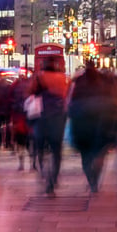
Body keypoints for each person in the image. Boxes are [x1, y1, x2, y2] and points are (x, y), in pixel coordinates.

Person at [67, 61, 111, 193]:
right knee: (100, 153)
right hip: (100, 123)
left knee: (85, 156)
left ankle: (92, 182)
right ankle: (96, 178)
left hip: (82, 123)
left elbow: (70, 103)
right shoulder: (103, 80)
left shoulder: (78, 81)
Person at [32, 60, 69, 196]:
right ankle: (53, 179)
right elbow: (66, 97)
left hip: (42, 117)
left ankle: (43, 171)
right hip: (57, 118)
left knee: (40, 148)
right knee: (56, 151)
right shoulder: (62, 78)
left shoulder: (39, 76)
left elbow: (31, 94)